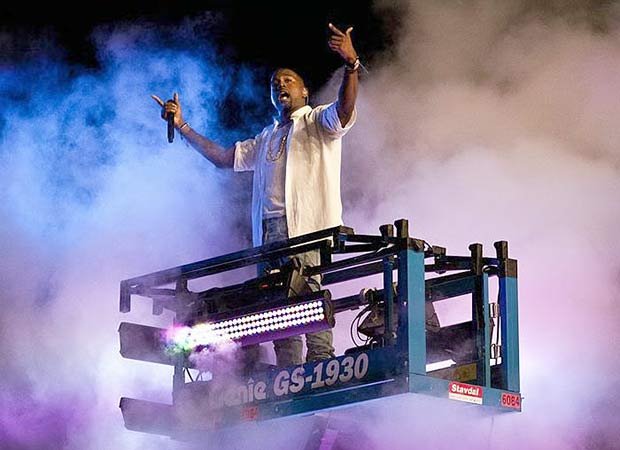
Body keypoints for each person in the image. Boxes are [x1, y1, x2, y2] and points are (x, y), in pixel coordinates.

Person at [152, 23, 359, 369]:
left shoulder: (317, 121)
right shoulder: (265, 138)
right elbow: (223, 158)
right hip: (269, 234)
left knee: (308, 294)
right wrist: (183, 127)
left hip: (306, 229)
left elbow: (345, 111)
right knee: (277, 305)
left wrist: (351, 66)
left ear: (304, 92)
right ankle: (289, 371)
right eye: (275, 83)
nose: (281, 84)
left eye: (288, 80)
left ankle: (321, 363)